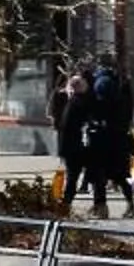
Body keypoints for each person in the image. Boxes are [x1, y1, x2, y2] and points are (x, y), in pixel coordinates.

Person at [84, 61, 134, 219]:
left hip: (101, 143)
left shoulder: (100, 101)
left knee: (98, 176)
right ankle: (130, 205)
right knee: (120, 176)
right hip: (120, 142)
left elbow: (94, 117)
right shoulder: (122, 99)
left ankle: (100, 207)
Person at [53, 73, 93, 210]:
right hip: (76, 146)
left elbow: (64, 127)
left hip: (72, 146)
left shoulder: (73, 103)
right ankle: (66, 203)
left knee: (73, 176)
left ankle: (66, 203)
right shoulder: (79, 102)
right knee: (74, 176)